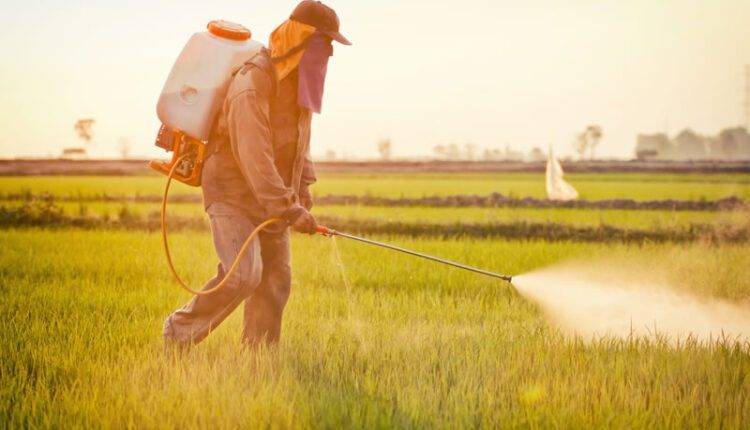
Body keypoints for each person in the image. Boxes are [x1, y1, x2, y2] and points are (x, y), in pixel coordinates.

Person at [163, 0, 351, 348]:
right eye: (323, 42)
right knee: (243, 276)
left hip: (272, 196)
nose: (328, 53)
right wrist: (288, 207)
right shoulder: (254, 80)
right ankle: (178, 334)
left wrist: (303, 188)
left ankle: (258, 358)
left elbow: (300, 141)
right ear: (300, 37)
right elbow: (254, 155)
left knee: (276, 280)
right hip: (232, 190)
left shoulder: (299, 81)